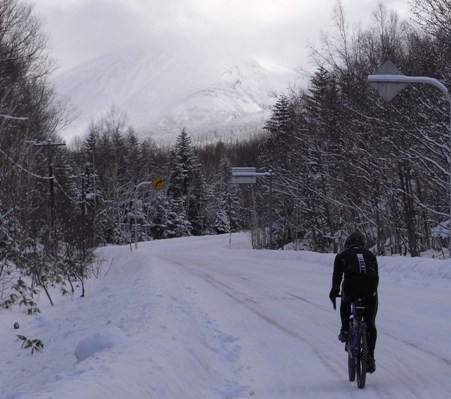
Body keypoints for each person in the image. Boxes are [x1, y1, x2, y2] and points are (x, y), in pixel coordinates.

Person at [329, 231, 379, 373]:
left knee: (345, 302)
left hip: (351, 285)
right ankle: (370, 357)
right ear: (362, 244)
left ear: (347, 244)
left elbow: (337, 277)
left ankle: (345, 330)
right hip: (370, 286)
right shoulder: (370, 255)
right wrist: (373, 294)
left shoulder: (342, 255)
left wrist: (334, 293)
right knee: (370, 323)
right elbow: (376, 276)